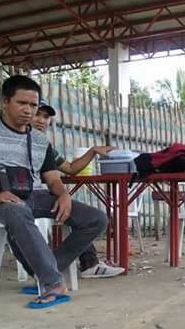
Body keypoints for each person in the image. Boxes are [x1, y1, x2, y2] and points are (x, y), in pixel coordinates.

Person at [0, 75, 107, 307]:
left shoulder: (40, 140)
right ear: (5, 102)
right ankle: (53, 283)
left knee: (96, 218)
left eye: (33, 105)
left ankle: (44, 268)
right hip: (3, 199)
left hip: (36, 195)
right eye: (21, 103)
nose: (28, 110)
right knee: (19, 212)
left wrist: (63, 195)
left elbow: (52, 178)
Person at [27, 99, 123, 278]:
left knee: (83, 214)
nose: (41, 120)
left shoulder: (43, 145)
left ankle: (86, 263)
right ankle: (48, 269)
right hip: (17, 200)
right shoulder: (12, 139)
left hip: (39, 197)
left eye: (45, 117)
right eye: (37, 114)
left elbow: (70, 169)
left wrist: (93, 151)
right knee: (75, 212)